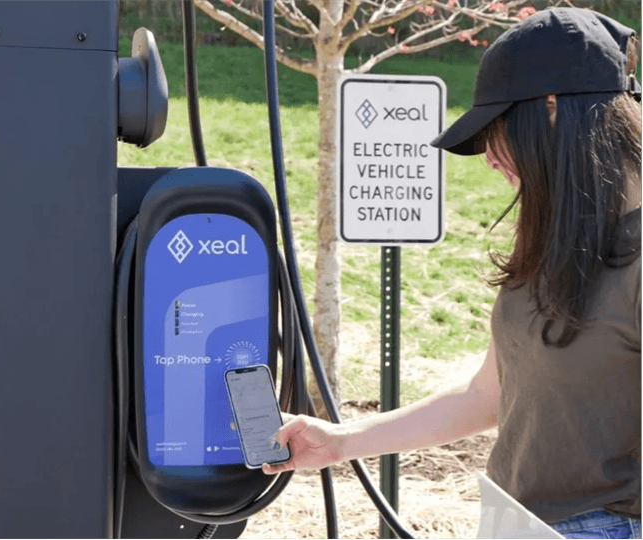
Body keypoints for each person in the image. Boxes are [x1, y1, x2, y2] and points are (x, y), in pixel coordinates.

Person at [263, 7, 642, 539]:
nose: (488, 156)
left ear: (554, 110)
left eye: (499, 128)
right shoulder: (550, 240)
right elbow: (485, 396)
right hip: (513, 521)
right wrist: (340, 441)